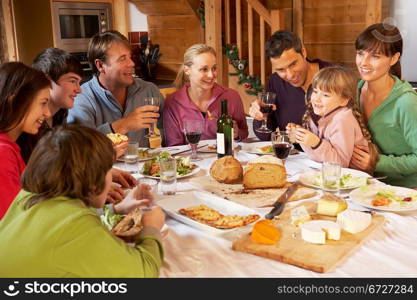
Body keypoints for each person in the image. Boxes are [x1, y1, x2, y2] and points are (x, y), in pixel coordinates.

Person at [0, 125, 165, 277]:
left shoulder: (27, 196)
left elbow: (60, 225)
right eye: (109, 169)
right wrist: (151, 227)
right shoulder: (77, 227)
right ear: (93, 181)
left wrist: (117, 209)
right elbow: (143, 273)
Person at [19, 47, 135, 203]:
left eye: (79, 82)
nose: (79, 90)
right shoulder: (29, 128)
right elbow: (42, 182)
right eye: (72, 81)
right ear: (47, 80)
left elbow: (63, 166)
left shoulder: (61, 115)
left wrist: (99, 173)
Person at [67, 30, 163, 147]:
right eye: (122, 59)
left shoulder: (148, 90)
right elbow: (80, 147)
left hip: (143, 165)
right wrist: (124, 124)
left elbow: (170, 132)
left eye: (130, 57)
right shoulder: (81, 99)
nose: (132, 63)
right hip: (103, 165)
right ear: (100, 65)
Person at [350, 23, 417, 187]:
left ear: (394, 58)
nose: (364, 62)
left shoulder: (406, 102)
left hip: (405, 193)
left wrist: (377, 162)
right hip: (365, 185)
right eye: (360, 53)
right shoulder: (356, 90)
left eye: (375, 56)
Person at [249, 30, 331, 141]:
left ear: (303, 52)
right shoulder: (275, 82)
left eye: (293, 64)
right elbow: (265, 135)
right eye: (281, 69)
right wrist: (261, 115)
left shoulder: (333, 77)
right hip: (294, 156)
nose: (290, 75)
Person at [287, 66, 377, 168]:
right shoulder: (316, 115)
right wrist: (301, 137)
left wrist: (316, 143)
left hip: (353, 178)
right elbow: (317, 156)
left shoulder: (342, 120)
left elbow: (341, 164)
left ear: (343, 100)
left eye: (325, 95)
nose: (317, 98)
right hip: (328, 174)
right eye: (315, 91)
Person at [163, 44, 248, 146]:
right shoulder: (172, 102)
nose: (211, 75)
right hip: (189, 160)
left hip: (224, 159)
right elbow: (174, 147)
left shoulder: (232, 96)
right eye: (204, 69)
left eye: (214, 68)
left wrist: (237, 133)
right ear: (187, 70)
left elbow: (244, 132)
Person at [0, 62, 51, 219]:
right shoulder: (2, 153)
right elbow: (15, 220)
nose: (47, 113)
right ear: (14, 101)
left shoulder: (16, 145)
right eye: (43, 103)